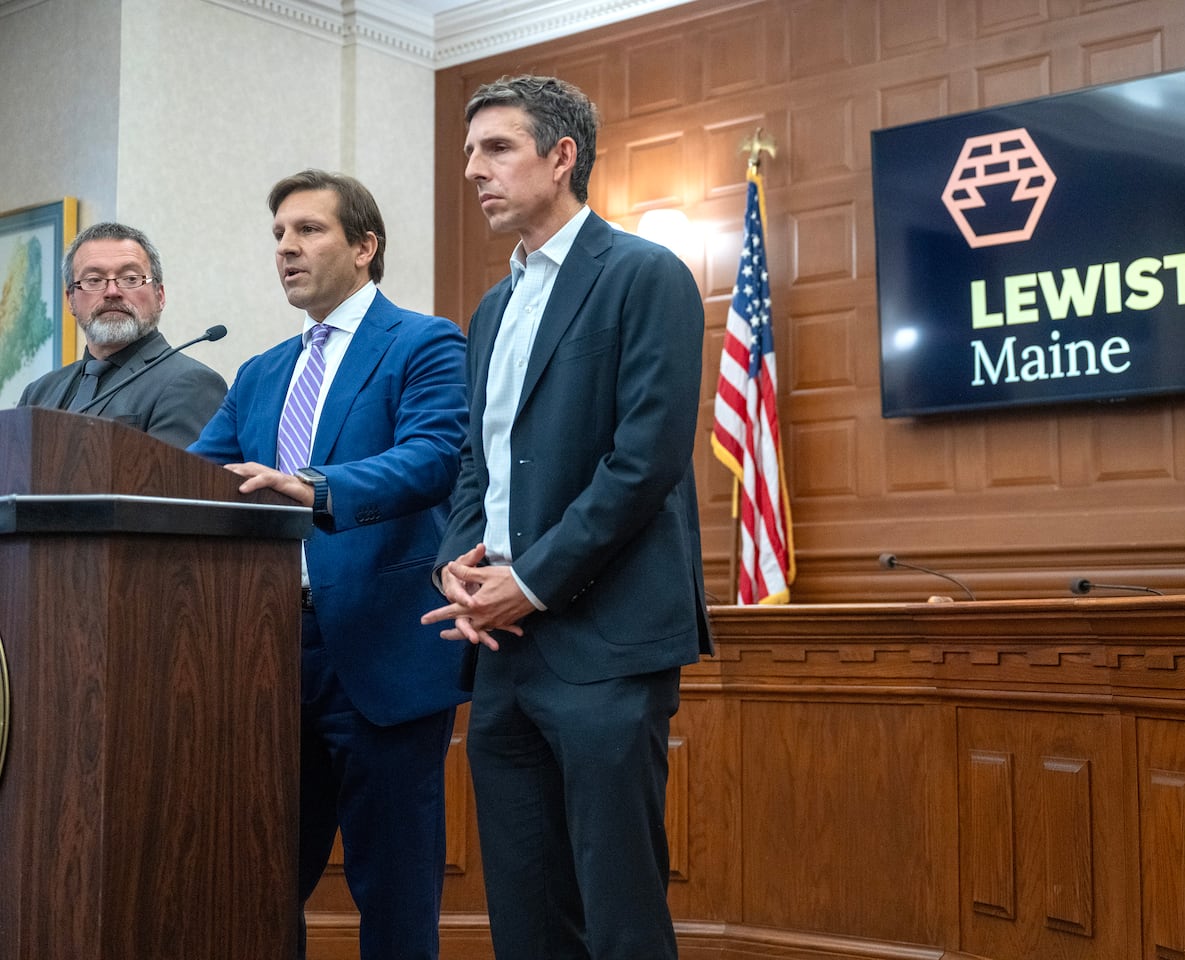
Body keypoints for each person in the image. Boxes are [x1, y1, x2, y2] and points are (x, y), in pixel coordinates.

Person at [421, 75, 713, 960]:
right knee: (525, 908)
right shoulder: (492, 307)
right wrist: (455, 563)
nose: (474, 169)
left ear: (562, 156)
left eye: (497, 149)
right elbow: (480, 460)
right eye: (469, 152)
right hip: (504, 653)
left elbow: (646, 462)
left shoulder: (644, 274)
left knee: (619, 909)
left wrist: (534, 581)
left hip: (605, 643)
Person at [188, 169, 468, 960]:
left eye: (308, 230)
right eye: (278, 234)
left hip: (384, 651)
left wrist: (313, 488)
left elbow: (433, 457)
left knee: (393, 889)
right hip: (270, 658)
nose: (286, 249)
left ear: (365, 246)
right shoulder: (260, 372)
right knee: (260, 879)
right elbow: (191, 481)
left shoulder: (424, 341)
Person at [17, 221, 226, 447]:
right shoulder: (38, 392)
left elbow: (166, 480)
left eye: (130, 279)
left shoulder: (192, 383)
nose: (112, 292)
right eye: (94, 280)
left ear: (160, 296)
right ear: (70, 300)